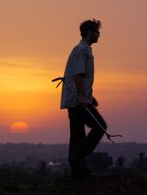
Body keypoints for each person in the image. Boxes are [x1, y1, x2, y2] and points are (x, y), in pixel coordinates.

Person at [60, 19, 107, 180]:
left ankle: (78, 173)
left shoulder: (83, 50)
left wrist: (89, 96)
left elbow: (80, 76)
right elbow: (78, 74)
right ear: (89, 33)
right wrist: (82, 97)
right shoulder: (81, 50)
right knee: (100, 126)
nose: (98, 35)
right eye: (96, 32)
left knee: (77, 135)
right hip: (78, 100)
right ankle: (77, 159)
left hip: (78, 99)